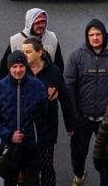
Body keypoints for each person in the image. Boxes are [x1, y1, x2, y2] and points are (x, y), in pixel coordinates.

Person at [66, 20, 108, 186]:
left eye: (98, 34)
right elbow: (68, 87)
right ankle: (79, 174)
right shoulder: (77, 55)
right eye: (91, 35)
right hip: (82, 118)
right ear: (87, 36)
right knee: (78, 156)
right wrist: (73, 118)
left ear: (104, 35)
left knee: (106, 157)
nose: (95, 38)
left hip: (107, 118)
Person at [0, 51, 46, 186]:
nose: (18, 70)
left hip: (31, 147)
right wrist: (8, 134)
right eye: (14, 67)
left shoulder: (37, 86)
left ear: (26, 66)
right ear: (9, 68)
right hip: (8, 147)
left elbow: (46, 115)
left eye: (21, 66)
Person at [22, 37, 75, 186]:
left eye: (28, 52)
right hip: (26, 126)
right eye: (23, 52)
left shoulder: (53, 72)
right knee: (28, 165)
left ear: (39, 52)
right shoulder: (21, 71)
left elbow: (64, 98)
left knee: (46, 164)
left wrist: (70, 125)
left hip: (47, 125)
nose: (24, 55)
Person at [0, 9, 64, 77]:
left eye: (43, 22)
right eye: (37, 23)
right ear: (29, 23)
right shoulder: (15, 40)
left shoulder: (52, 38)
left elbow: (59, 65)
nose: (41, 25)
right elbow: (3, 70)